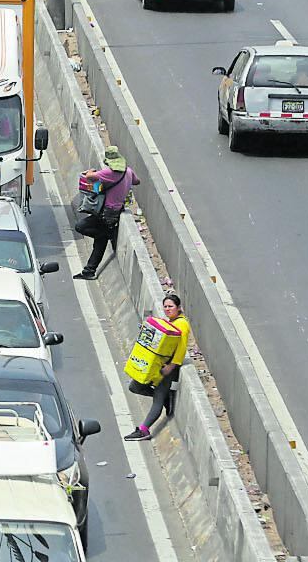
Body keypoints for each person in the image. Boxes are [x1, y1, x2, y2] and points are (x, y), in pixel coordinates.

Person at [125, 294, 192, 440]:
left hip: (168, 370)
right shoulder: (170, 322)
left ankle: (144, 429)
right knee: (134, 387)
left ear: (179, 308)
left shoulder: (182, 325)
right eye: (166, 306)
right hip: (155, 365)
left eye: (171, 306)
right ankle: (166, 397)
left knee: (158, 399)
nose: (168, 309)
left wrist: (171, 366)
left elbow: (181, 349)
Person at [72, 145, 139, 280]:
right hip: (117, 211)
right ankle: (89, 271)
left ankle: (107, 235)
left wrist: (91, 171)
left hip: (107, 213)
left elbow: (90, 177)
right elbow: (137, 181)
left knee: (81, 226)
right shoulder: (129, 171)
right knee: (99, 241)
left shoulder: (109, 173)